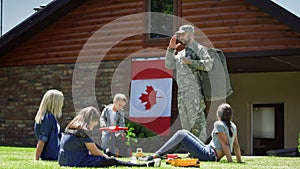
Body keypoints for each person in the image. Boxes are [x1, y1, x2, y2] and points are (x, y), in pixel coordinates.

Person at [58, 106, 161, 167]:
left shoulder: (70, 128)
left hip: (64, 160)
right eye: (95, 123)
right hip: (76, 161)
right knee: (112, 161)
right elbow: (94, 152)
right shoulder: (83, 131)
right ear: (90, 119)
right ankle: (144, 165)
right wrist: (107, 157)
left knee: (104, 154)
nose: (94, 126)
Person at [141, 103, 243, 163]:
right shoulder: (233, 126)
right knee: (184, 132)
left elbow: (225, 144)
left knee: (181, 134)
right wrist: (239, 160)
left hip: (209, 155)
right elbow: (236, 146)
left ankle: (156, 156)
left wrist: (230, 162)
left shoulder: (219, 124)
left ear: (219, 115)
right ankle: (161, 154)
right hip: (208, 150)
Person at [165, 24, 214, 141]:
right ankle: (191, 151)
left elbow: (209, 64)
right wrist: (171, 49)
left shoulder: (199, 49)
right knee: (186, 125)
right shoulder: (181, 52)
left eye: (183, 34)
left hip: (194, 93)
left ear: (191, 34)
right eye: (179, 34)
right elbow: (169, 65)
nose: (180, 36)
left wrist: (191, 62)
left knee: (197, 124)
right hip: (182, 94)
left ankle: (201, 150)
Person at [34, 89, 64, 160]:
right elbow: (42, 139)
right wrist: (36, 158)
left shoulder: (49, 117)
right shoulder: (48, 118)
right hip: (52, 154)